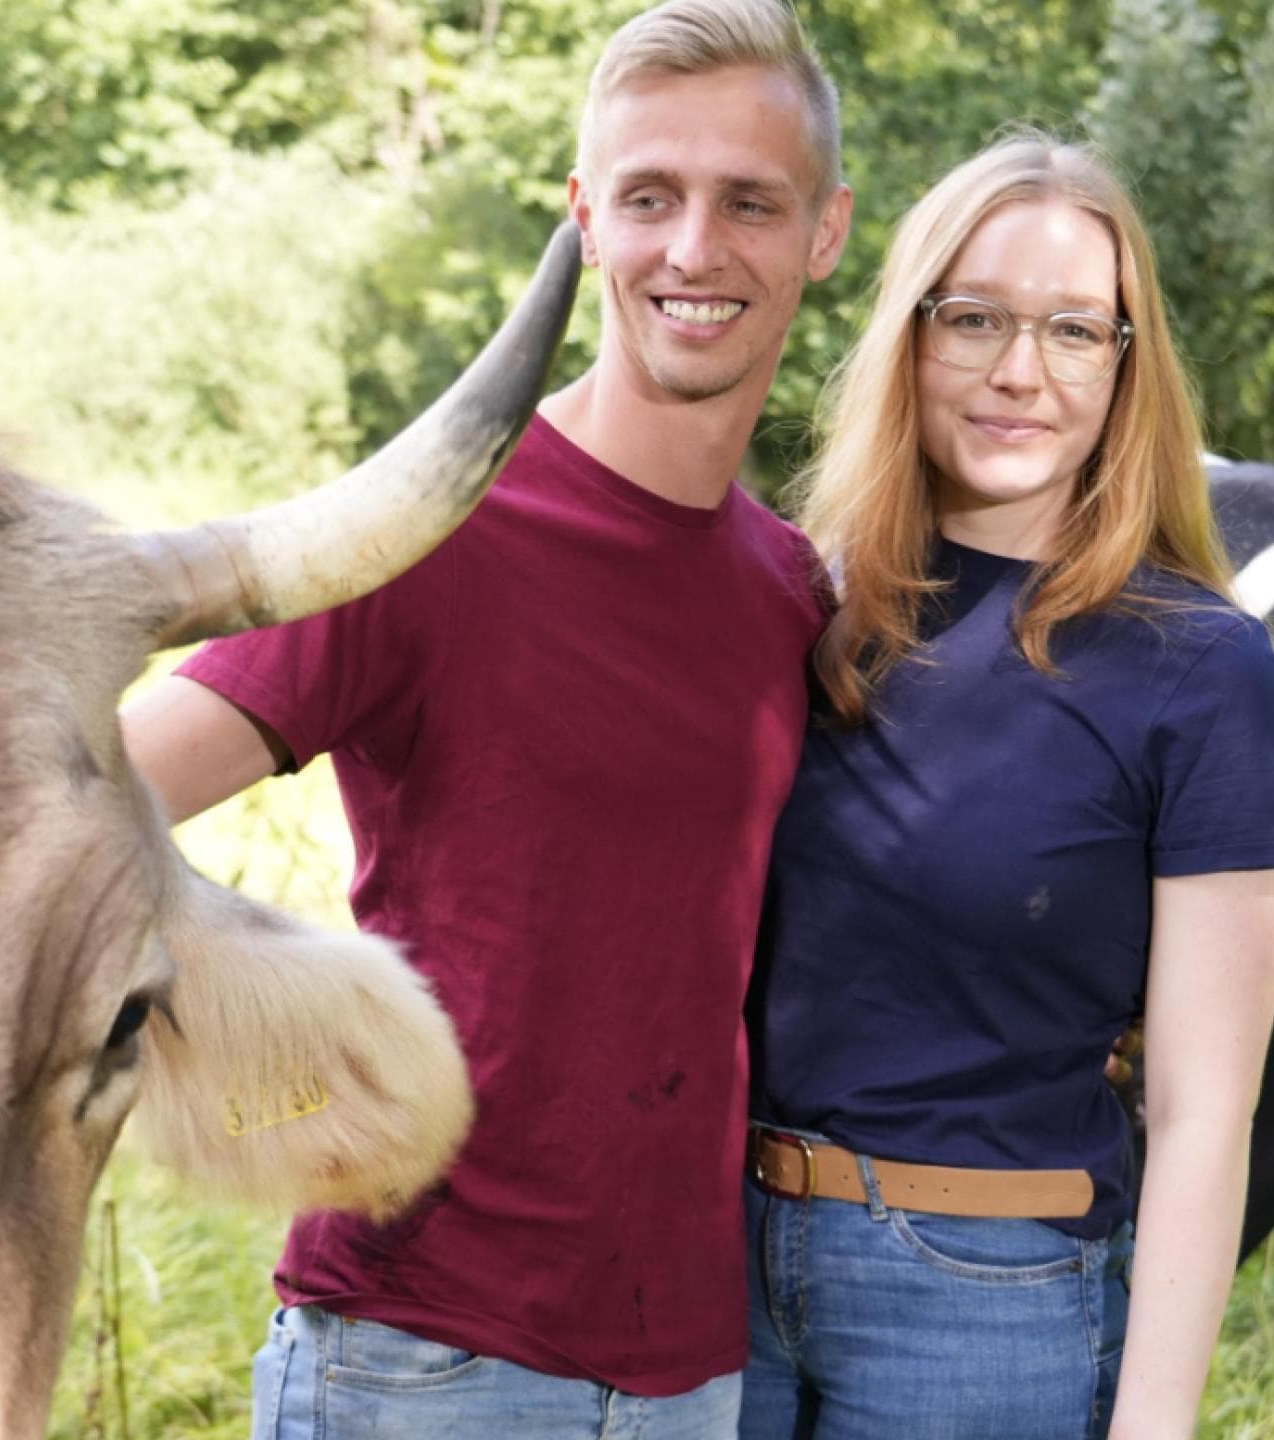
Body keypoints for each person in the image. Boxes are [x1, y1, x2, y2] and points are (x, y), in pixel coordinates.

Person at [120, 2, 851, 1436]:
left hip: (695, 1374)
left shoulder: (788, 592)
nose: (694, 250)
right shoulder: (431, 536)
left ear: (823, 232)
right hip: (421, 1362)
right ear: (584, 218)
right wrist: (238, 1041)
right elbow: (81, 798)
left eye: (748, 202)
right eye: (648, 198)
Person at [740, 133, 1274, 1440]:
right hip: (720, 1278)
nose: (1020, 371)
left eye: (1073, 329)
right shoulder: (806, 601)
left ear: (1128, 365)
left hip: (976, 1308)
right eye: (977, 318)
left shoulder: (1203, 673)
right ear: (908, 337)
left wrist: (1154, 1427)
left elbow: (1202, 1116)